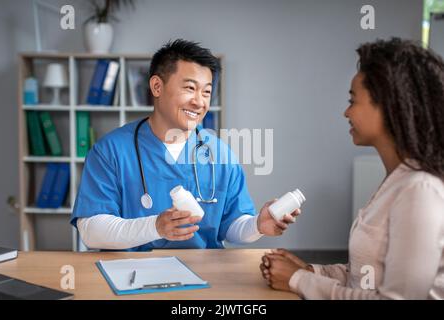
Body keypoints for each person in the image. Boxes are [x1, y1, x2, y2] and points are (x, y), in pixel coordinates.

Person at [71, 39, 299, 251]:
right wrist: (155, 227)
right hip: (131, 275)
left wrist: (258, 225)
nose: (199, 101)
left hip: (205, 276)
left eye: (206, 92)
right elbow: (91, 230)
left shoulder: (220, 155)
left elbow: (231, 226)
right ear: (157, 87)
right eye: (189, 88)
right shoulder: (110, 151)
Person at [260, 38, 444, 299]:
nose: (346, 112)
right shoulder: (397, 181)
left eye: (353, 100)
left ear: (390, 106)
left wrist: (298, 279)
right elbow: (367, 276)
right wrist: (311, 270)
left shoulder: (420, 189)